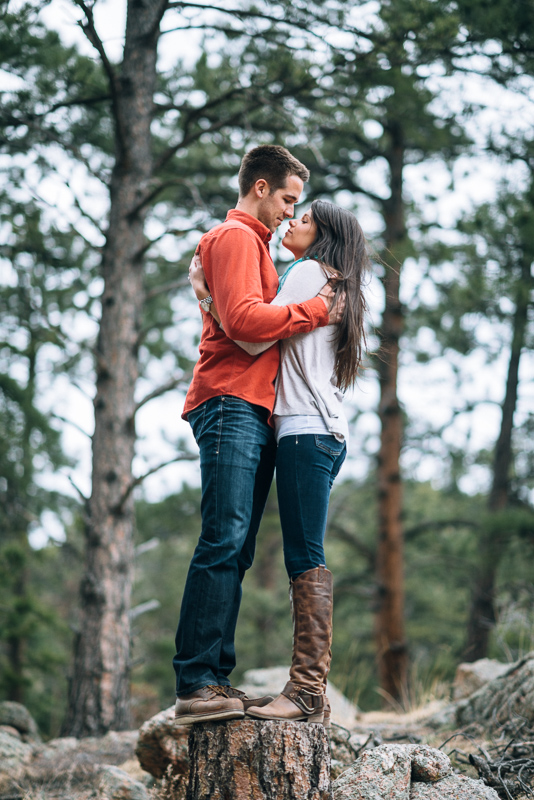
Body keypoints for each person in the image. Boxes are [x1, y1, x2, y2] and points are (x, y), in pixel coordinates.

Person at [173, 145, 340, 726]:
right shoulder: (238, 238)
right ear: (262, 187)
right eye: (288, 199)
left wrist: (206, 296)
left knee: (236, 545)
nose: (289, 213)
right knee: (224, 539)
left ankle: (214, 679)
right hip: (230, 401)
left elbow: (241, 320)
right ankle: (196, 681)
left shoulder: (257, 249)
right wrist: (319, 310)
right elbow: (246, 327)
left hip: (253, 407)